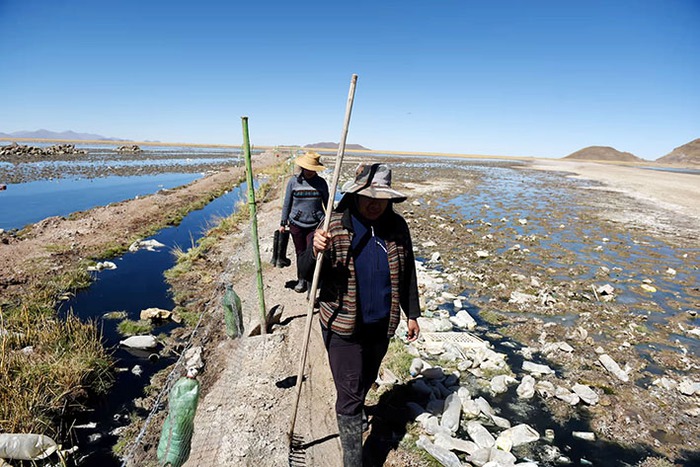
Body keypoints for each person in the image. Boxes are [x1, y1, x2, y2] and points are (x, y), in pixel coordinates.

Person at [298, 162, 421, 466]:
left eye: (382, 199)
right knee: (350, 394)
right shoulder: (334, 226)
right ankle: (353, 460)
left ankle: (355, 409)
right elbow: (304, 272)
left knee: (364, 381)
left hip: (381, 324)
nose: (375, 204)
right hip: (342, 325)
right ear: (355, 195)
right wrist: (315, 250)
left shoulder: (397, 228)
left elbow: (408, 274)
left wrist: (412, 314)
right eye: (369, 197)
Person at [278, 151, 329, 293]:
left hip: (316, 224)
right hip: (296, 224)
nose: (310, 172)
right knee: (300, 253)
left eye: (313, 169)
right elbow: (287, 203)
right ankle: (301, 280)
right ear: (303, 167)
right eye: (308, 168)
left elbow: (328, 204)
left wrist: (330, 221)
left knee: (312, 254)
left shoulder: (321, 183)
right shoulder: (293, 182)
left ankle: (311, 283)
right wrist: (283, 222)